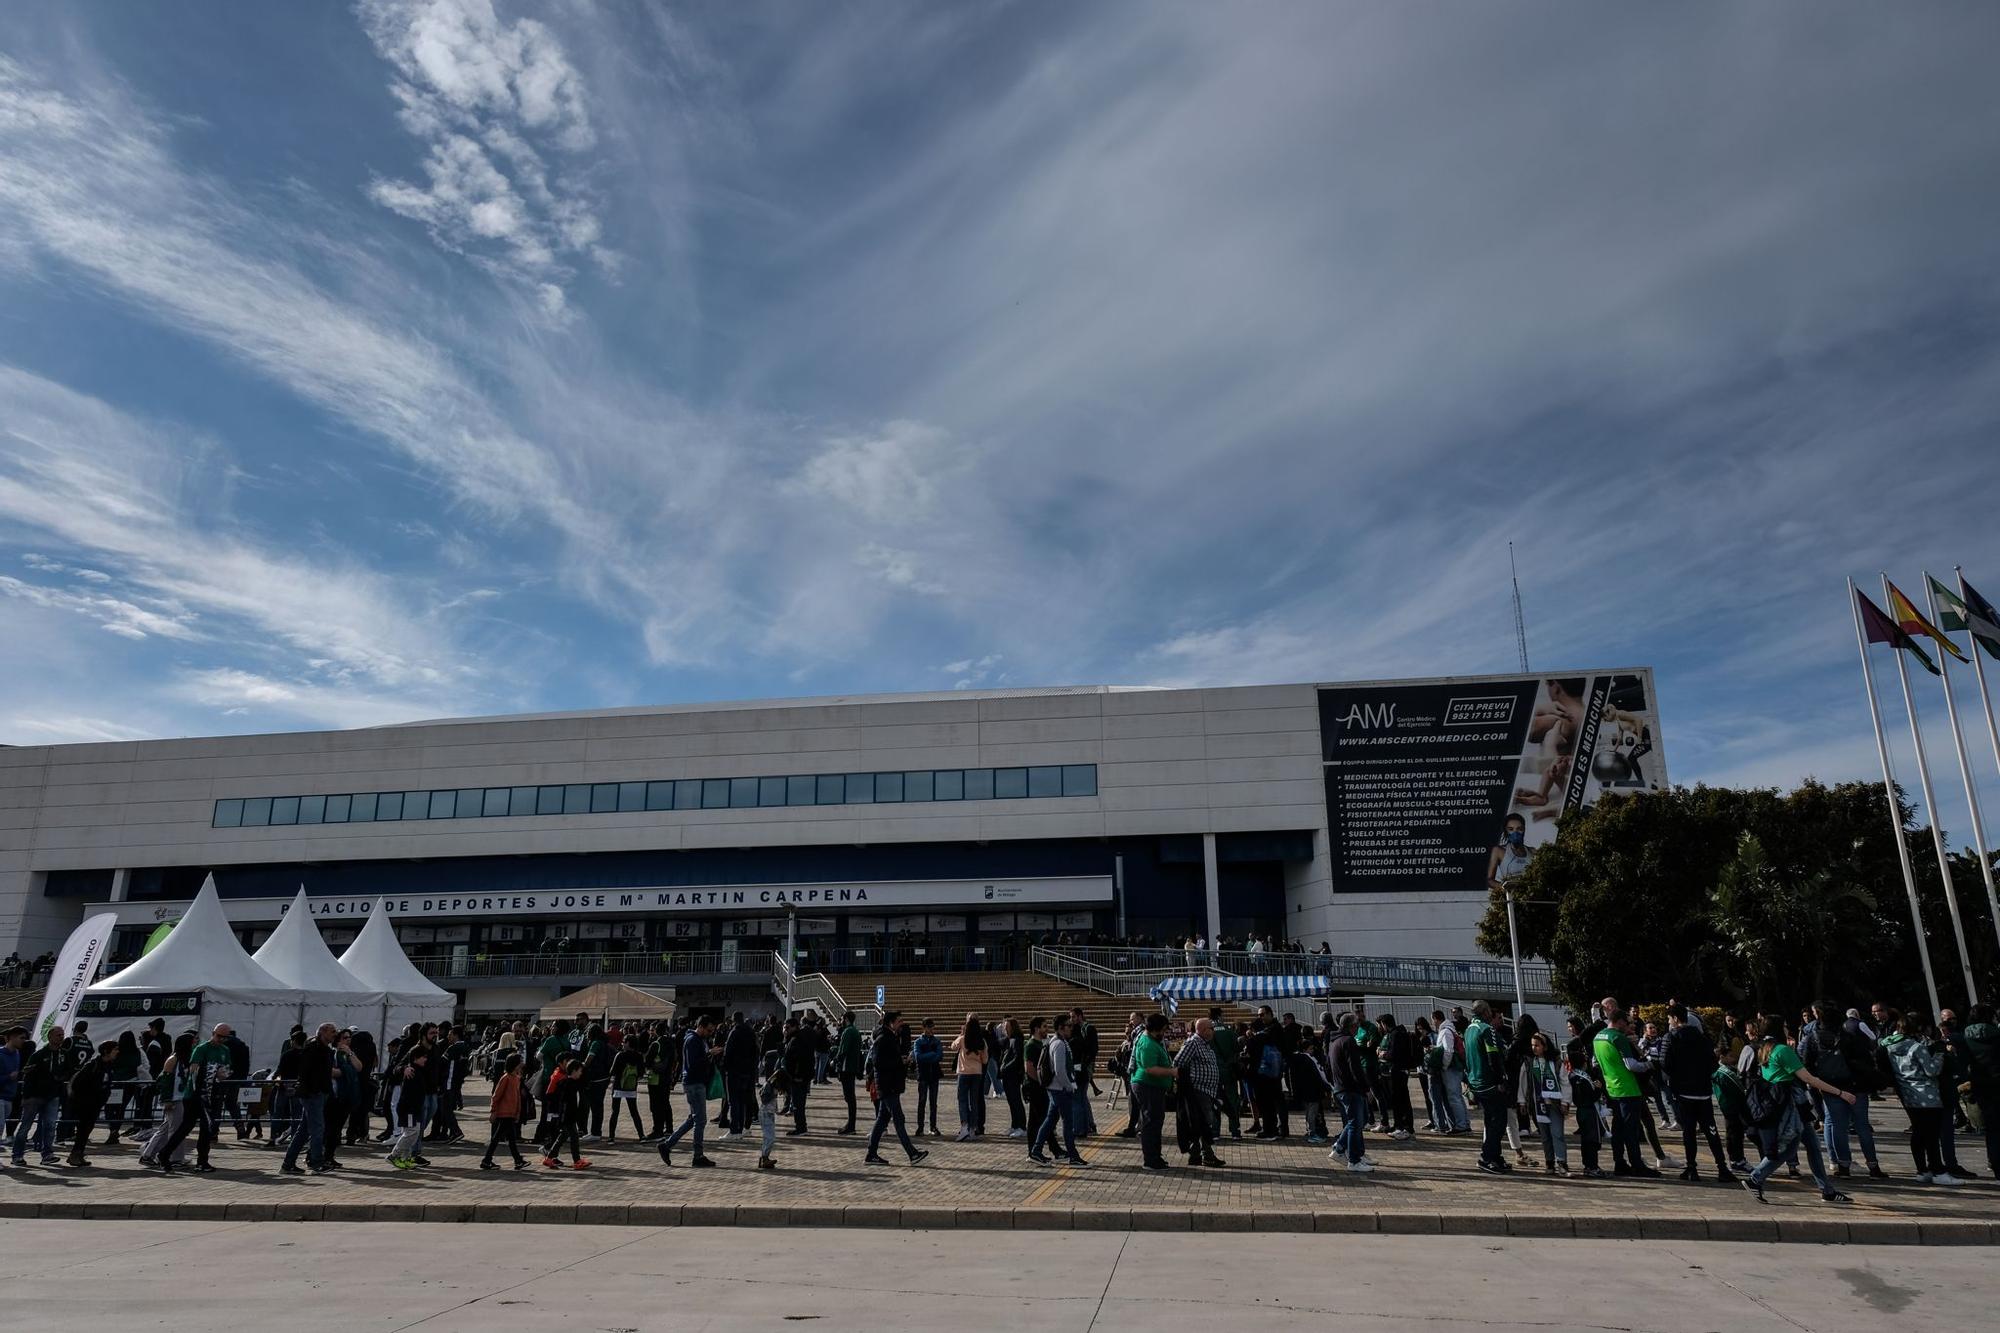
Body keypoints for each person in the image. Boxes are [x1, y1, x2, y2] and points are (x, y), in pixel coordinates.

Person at [1743, 1022, 1851, 1204]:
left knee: (1813, 1146)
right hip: (1791, 1106)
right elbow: (1808, 1078)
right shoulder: (1783, 1050)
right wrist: (1840, 1093)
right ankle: (1755, 1178)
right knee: (1788, 1149)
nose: (1787, 1028)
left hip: (1782, 1103)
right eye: (1784, 1025)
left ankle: (1827, 1190)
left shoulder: (1764, 1049)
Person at [1881, 1015, 1958, 1185]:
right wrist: (1940, 1054)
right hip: (1927, 1094)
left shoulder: (1889, 1046)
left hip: (1908, 1094)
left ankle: (1922, 1170)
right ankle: (1938, 1171)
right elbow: (1931, 1071)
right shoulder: (1917, 1048)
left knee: (1918, 1132)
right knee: (1932, 1134)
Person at [1662, 1005, 1733, 1182]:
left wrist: (1677, 1076)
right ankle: (1722, 1167)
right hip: (1703, 1090)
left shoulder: (1671, 1037)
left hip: (1683, 1091)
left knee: (1689, 1131)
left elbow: (1664, 1062)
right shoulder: (1702, 1038)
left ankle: (1692, 1168)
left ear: (1675, 1019)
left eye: (1670, 1019)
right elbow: (1713, 1062)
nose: (1669, 1023)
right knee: (1711, 1130)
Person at [1591, 1005, 1660, 1178]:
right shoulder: (1618, 1037)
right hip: (1628, 1088)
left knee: (1618, 1128)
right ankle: (1637, 1164)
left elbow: (1595, 1063)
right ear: (1620, 1021)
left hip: (1612, 1087)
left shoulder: (1598, 1037)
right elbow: (1632, 1065)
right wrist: (1650, 1064)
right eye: (1627, 1022)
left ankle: (1619, 1162)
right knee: (1631, 1130)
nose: (1629, 1025)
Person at [863, 1012, 928, 1167]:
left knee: (882, 1120)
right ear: (890, 1023)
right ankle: (912, 1153)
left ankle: (871, 1154)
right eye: (899, 1021)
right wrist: (899, 1061)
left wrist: (902, 1061)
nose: (902, 1024)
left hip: (889, 1084)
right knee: (899, 1119)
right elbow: (878, 1063)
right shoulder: (883, 1039)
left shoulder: (890, 1038)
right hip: (887, 1085)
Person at [658, 1015, 719, 1168]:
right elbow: (694, 1064)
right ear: (702, 1027)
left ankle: (667, 1145)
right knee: (700, 1121)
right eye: (709, 1030)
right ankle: (697, 1155)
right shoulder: (693, 1041)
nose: (710, 1033)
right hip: (694, 1083)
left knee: (694, 1119)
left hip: (695, 1082)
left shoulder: (697, 1040)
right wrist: (709, 1053)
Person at [281, 1024, 339, 1176]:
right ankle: (316, 1162)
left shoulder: (325, 1050)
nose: (335, 1034)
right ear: (322, 1032)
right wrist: (313, 1090)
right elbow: (305, 1071)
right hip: (313, 1094)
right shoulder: (313, 1048)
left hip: (318, 1093)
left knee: (304, 1130)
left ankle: (288, 1164)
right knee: (317, 1129)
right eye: (332, 1032)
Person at [1463, 1001, 1511, 1174]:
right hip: (1489, 1083)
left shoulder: (1468, 1030)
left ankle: (1496, 1157)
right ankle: (1487, 1157)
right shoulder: (1486, 1029)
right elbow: (1493, 1055)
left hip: (1476, 1081)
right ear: (1485, 1012)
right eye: (1490, 1010)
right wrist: (1500, 1081)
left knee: (1490, 1121)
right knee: (1497, 1123)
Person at [1172, 1016, 1224, 1168]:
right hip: (1198, 1090)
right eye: (1210, 1028)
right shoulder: (1193, 1043)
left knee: (1200, 1124)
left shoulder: (1206, 1044)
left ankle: (1195, 1155)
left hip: (1208, 1091)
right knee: (1203, 1124)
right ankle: (1207, 1155)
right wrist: (1188, 1080)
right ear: (1202, 1030)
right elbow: (1178, 1062)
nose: (1213, 1031)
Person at [1128, 1012, 1176, 1171]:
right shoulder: (1148, 1043)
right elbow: (1150, 1068)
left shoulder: (1151, 1040)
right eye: (1162, 1030)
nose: (1163, 1034)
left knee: (1155, 1120)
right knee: (1151, 1122)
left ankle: (1155, 1156)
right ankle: (1150, 1159)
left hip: (1152, 1086)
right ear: (1155, 1029)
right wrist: (1172, 1072)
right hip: (1147, 1086)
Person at [1327, 1013, 1373, 1172]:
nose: (1358, 1028)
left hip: (1341, 1087)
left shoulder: (1334, 1041)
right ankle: (1352, 1159)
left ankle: (1340, 1147)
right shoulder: (1348, 1041)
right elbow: (1356, 1068)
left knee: (1359, 1120)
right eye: (1357, 1025)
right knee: (1355, 1123)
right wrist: (1366, 1088)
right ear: (1352, 1026)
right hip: (1351, 1089)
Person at [1959, 1004, 2000, 1179]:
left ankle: (1995, 1162)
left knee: (1991, 1127)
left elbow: (1962, 1063)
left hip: (1979, 1085)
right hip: (1998, 1082)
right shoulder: (1997, 1036)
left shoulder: (1964, 1038)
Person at [63, 1040, 118, 1168]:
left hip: (96, 1104)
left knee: (87, 1129)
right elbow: (78, 1084)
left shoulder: (108, 1065)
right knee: (83, 1129)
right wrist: (84, 1098)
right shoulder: (92, 1065)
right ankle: (75, 1154)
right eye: (115, 1049)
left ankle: (78, 1153)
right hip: (86, 1103)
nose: (117, 1052)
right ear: (106, 1051)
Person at [1521, 1030, 1568, 1175]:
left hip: (1554, 1104)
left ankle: (1562, 1162)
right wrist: (1522, 1101)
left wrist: (1565, 1101)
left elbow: (1565, 1082)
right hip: (1537, 1104)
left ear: (1545, 1046)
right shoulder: (1529, 1063)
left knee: (1557, 1133)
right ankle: (1549, 1162)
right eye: (1532, 1045)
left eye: (1537, 1045)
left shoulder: (1556, 1062)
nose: (1534, 1048)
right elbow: (1523, 1083)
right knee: (1545, 1135)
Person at [1430, 1009, 1470, 1133]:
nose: (1433, 1024)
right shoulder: (1450, 1029)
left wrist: (1444, 1066)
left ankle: (1461, 1125)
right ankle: (1464, 1123)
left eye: (1433, 1021)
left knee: (1454, 1097)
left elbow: (1448, 1051)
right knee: (1457, 1096)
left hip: (1451, 1068)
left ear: (1436, 1019)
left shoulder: (1445, 1031)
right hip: (1454, 1067)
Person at [950, 1015, 989, 1141]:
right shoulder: (982, 1042)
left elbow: (953, 1046)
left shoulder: (963, 1039)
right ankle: (973, 1128)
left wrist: (961, 1034)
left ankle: (964, 1126)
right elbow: (985, 1060)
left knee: (962, 1100)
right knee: (974, 1101)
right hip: (977, 1072)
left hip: (963, 1072)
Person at [832, 1012, 864, 1135]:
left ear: (846, 1019)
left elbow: (843, 1050)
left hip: (847, 1067)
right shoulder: (855, 1031)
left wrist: (835, 1061)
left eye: (841, 1019)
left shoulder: (848, 1032)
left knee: (849, 1097)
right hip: (852, 1067)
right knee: (851, 1097)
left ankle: (851, 1126)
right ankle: (851, 1124)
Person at [912, 1018, 944, 1136]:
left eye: (932, 1027)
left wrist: (928, 1057)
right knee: (922, 1101)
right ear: (924, 1028)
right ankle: (920, 1127)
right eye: (929, 1027)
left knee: (933, 1102)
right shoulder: (918, 1042)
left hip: (934, 1074)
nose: (931, 1030)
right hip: (923, 1074)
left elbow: (940, 1056)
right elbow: (918, 1057)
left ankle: (933, 1126)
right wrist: (932, 1054)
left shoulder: (936, 1041)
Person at [756, 1048, 787, 1170]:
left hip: (769, 1113)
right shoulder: (769, 1085)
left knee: (769, 1136)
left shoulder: (772, 1085)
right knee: (770, 1137)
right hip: (765, 1113)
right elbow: (764, 1098)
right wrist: (773, 1092)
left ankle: (765, 1157)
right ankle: (764, 1157)